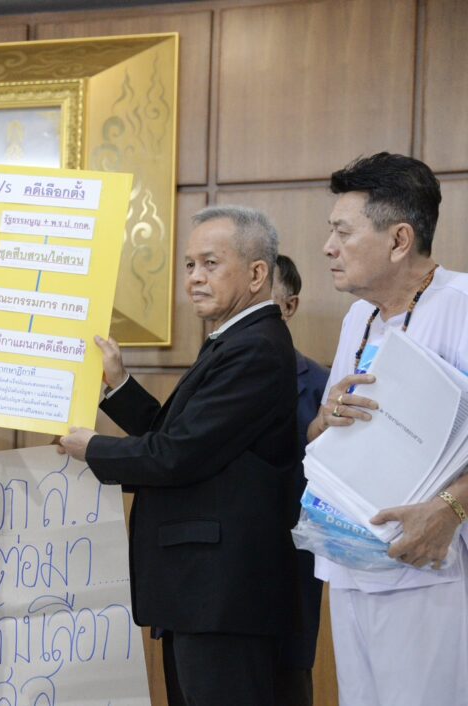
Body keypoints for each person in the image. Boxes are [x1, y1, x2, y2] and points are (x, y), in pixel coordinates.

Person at [59, 205, 301, 706]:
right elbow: (181, 437)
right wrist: (118, 382)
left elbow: (177, 455)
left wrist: (92, 448)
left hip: (222, 595)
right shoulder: (235, 340)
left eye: (210, 263)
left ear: (257, 273)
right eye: (189, 265)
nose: (193, 278)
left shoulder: (255, 347)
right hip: (202, 592)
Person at [307, 152, 468, 705]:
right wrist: (326, 419)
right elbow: (320, 434)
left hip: (433, 570)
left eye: (343, 232)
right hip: (350, 564)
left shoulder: (462, 306)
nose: (328, 247)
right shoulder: (359, 317)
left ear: (399, 240)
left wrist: (450, 509)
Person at [273, 253, 328, 706]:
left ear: (289, 306)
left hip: (289, 571)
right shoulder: (206, 376)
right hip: (220, 577)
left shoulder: (323, 385)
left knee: (288, 687)